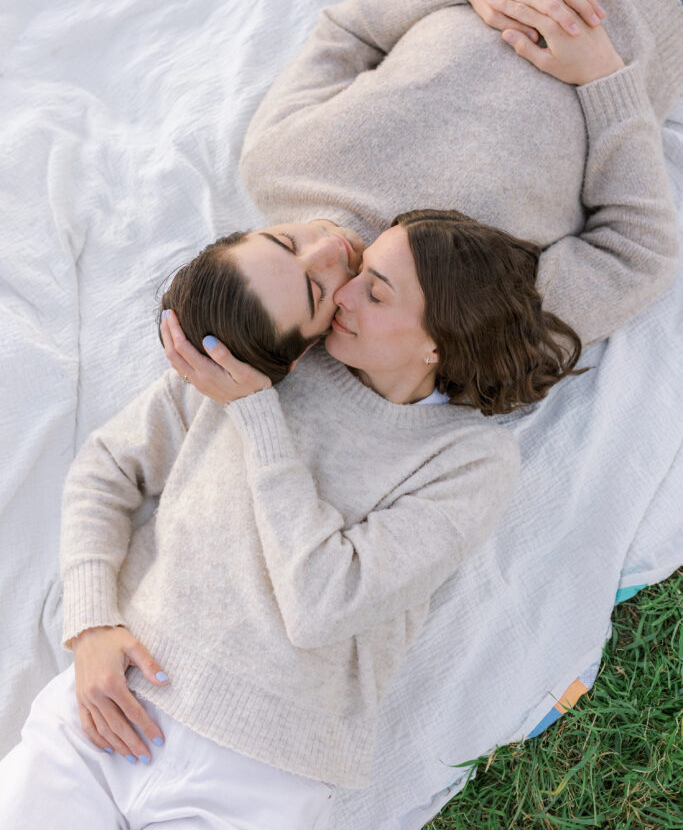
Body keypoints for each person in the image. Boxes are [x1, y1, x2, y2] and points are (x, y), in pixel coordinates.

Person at [0, 208, 583, 828]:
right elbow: (105, 469)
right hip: (112, 702)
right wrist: (90, 624)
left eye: (374, 290)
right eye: (357, 273)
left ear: (436, 343)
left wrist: (256, 415)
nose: (345, 294)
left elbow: (324, 604)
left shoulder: (470, 461)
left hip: (260, 774)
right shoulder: (270, 349)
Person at [162, 0, 682, 404]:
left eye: (284, 241)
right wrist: (602, 76)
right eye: (315, 289)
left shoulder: (275, 160)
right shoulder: (456, 298)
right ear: (307, 348)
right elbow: (637, 253)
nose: (327, 247)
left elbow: (347, 31)